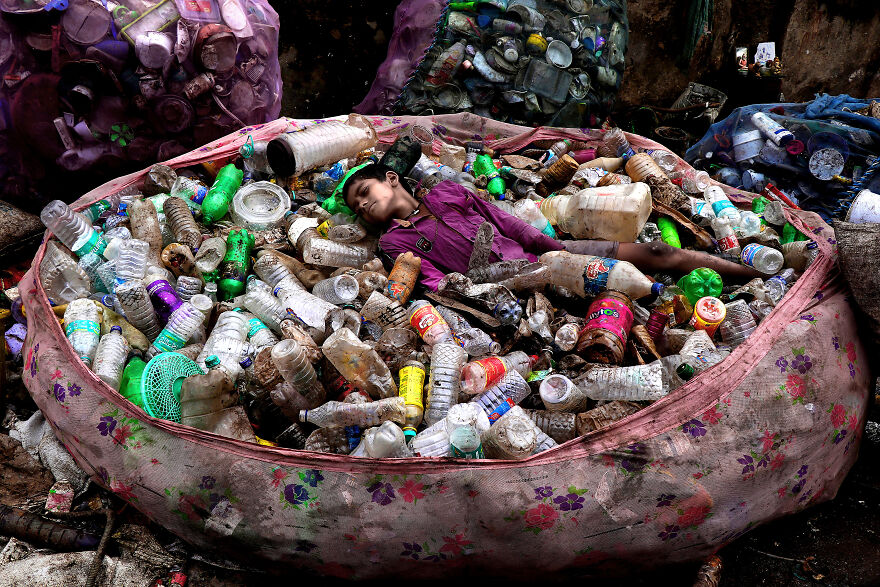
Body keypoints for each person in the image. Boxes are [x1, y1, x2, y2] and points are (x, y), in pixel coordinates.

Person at [338, 163, 761, 291]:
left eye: (364, 189)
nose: (363, 203)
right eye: (357, 206)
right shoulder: (395, 243)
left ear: (391, 178)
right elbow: (436, 283)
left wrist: (556, 246)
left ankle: (760, 271)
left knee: (658, 255)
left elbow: (505, 222)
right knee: (630, 293)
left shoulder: (446, 192)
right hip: (513, 289)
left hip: (547, 254)